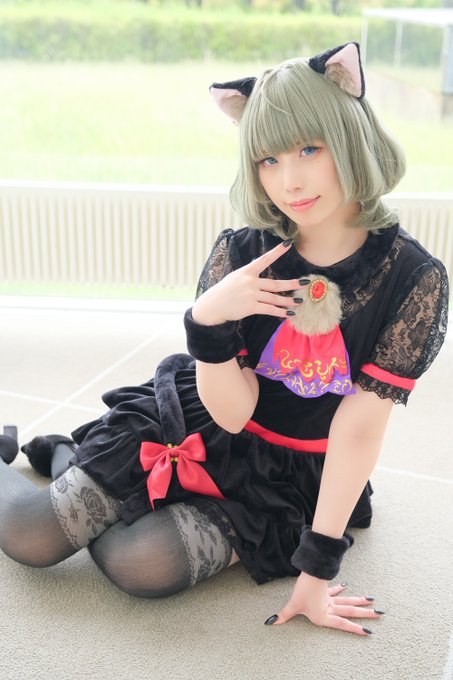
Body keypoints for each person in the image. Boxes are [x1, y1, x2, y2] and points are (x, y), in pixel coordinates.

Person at [0, 42, 449, 637]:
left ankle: (65, 456)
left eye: (310, 149)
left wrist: (316, 572)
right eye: (268, 159)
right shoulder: (241, 252)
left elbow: (358, 428)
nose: (289, 181)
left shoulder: (413, 278)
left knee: (137, 563)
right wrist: (206, 322)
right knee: (29, 536)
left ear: (350, 135)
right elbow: (233, 414)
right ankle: (52, 457)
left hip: (292, 471)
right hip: (205, 417)